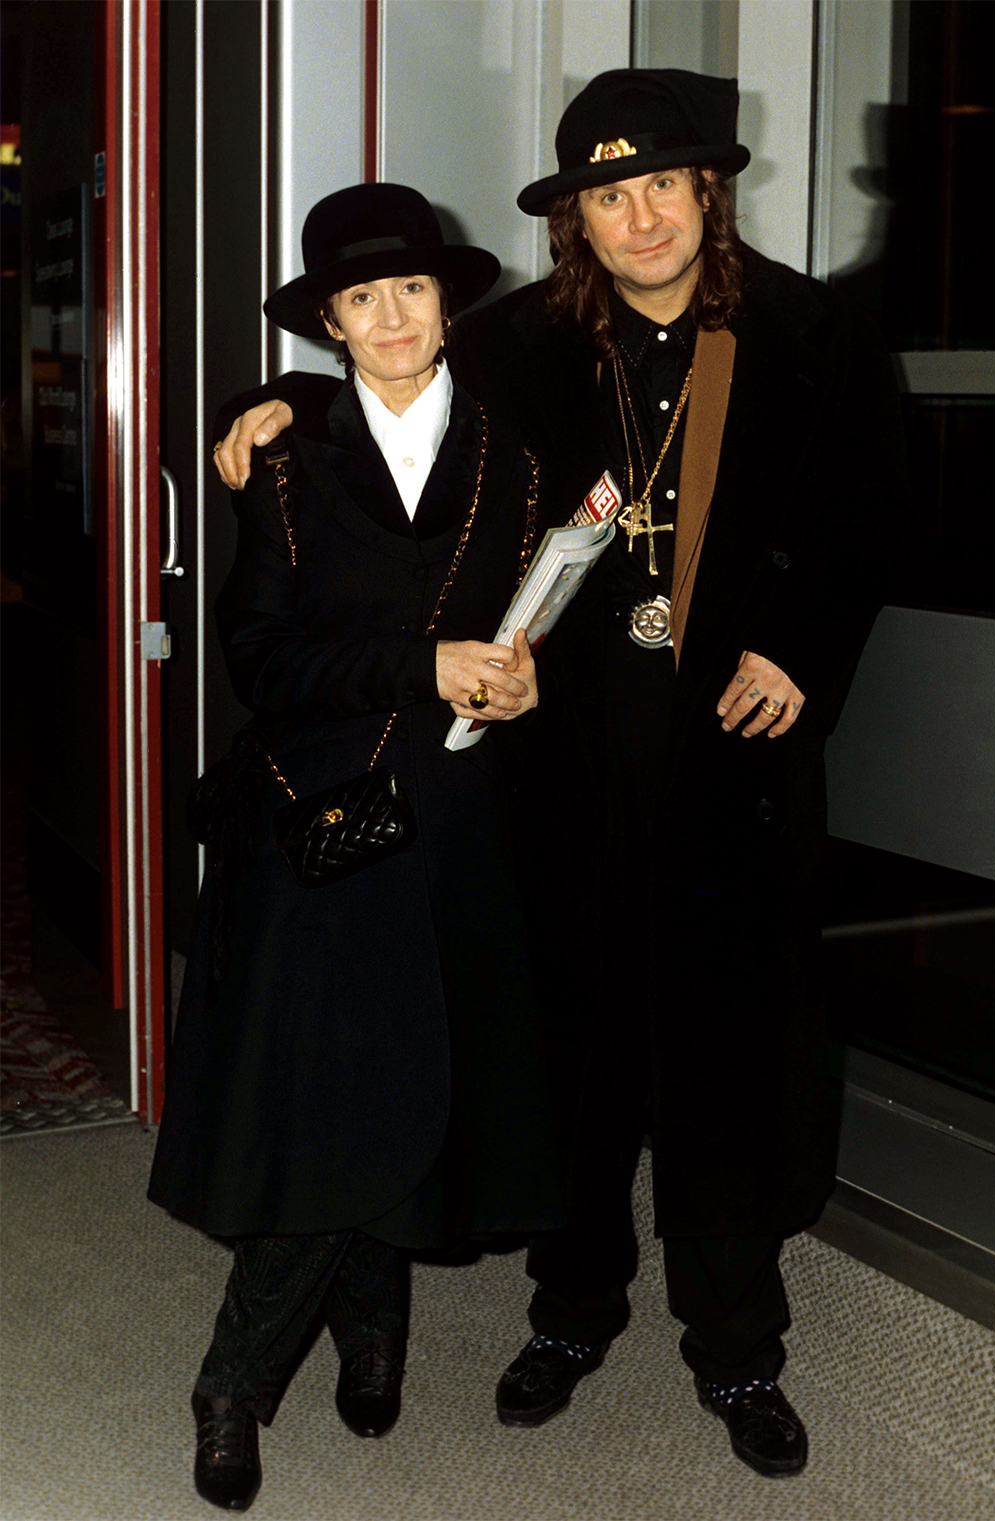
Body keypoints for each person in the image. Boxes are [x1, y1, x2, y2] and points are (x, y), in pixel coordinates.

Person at [212, 70, 907, 1480]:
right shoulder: (522, 344)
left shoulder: (814, 330)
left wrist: (801, 648)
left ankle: (737, 1342)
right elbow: (384, 377)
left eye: (662, 184)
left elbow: (869, 513)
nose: (639, 215)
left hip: (736, 760)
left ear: (710, 191)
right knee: (579, 1054)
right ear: (572, 219)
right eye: (607, 193)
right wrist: (266, 402)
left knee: (726, 1057)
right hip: (567, 765)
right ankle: (573, 1314)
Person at [148, 182, 566, 1513]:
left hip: (454, 817)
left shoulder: (515, 452)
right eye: (362, 296)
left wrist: (519, 675)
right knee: (328, 1093)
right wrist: (420, 663)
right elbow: (259, 657)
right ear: (329, 321)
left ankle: (374, 1331)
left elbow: (530, 613)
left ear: (449, 308)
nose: (392, 316)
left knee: (411, 1069)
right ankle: (234, 1381)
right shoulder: (281, 450)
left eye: (413, 291)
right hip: (313, 813)